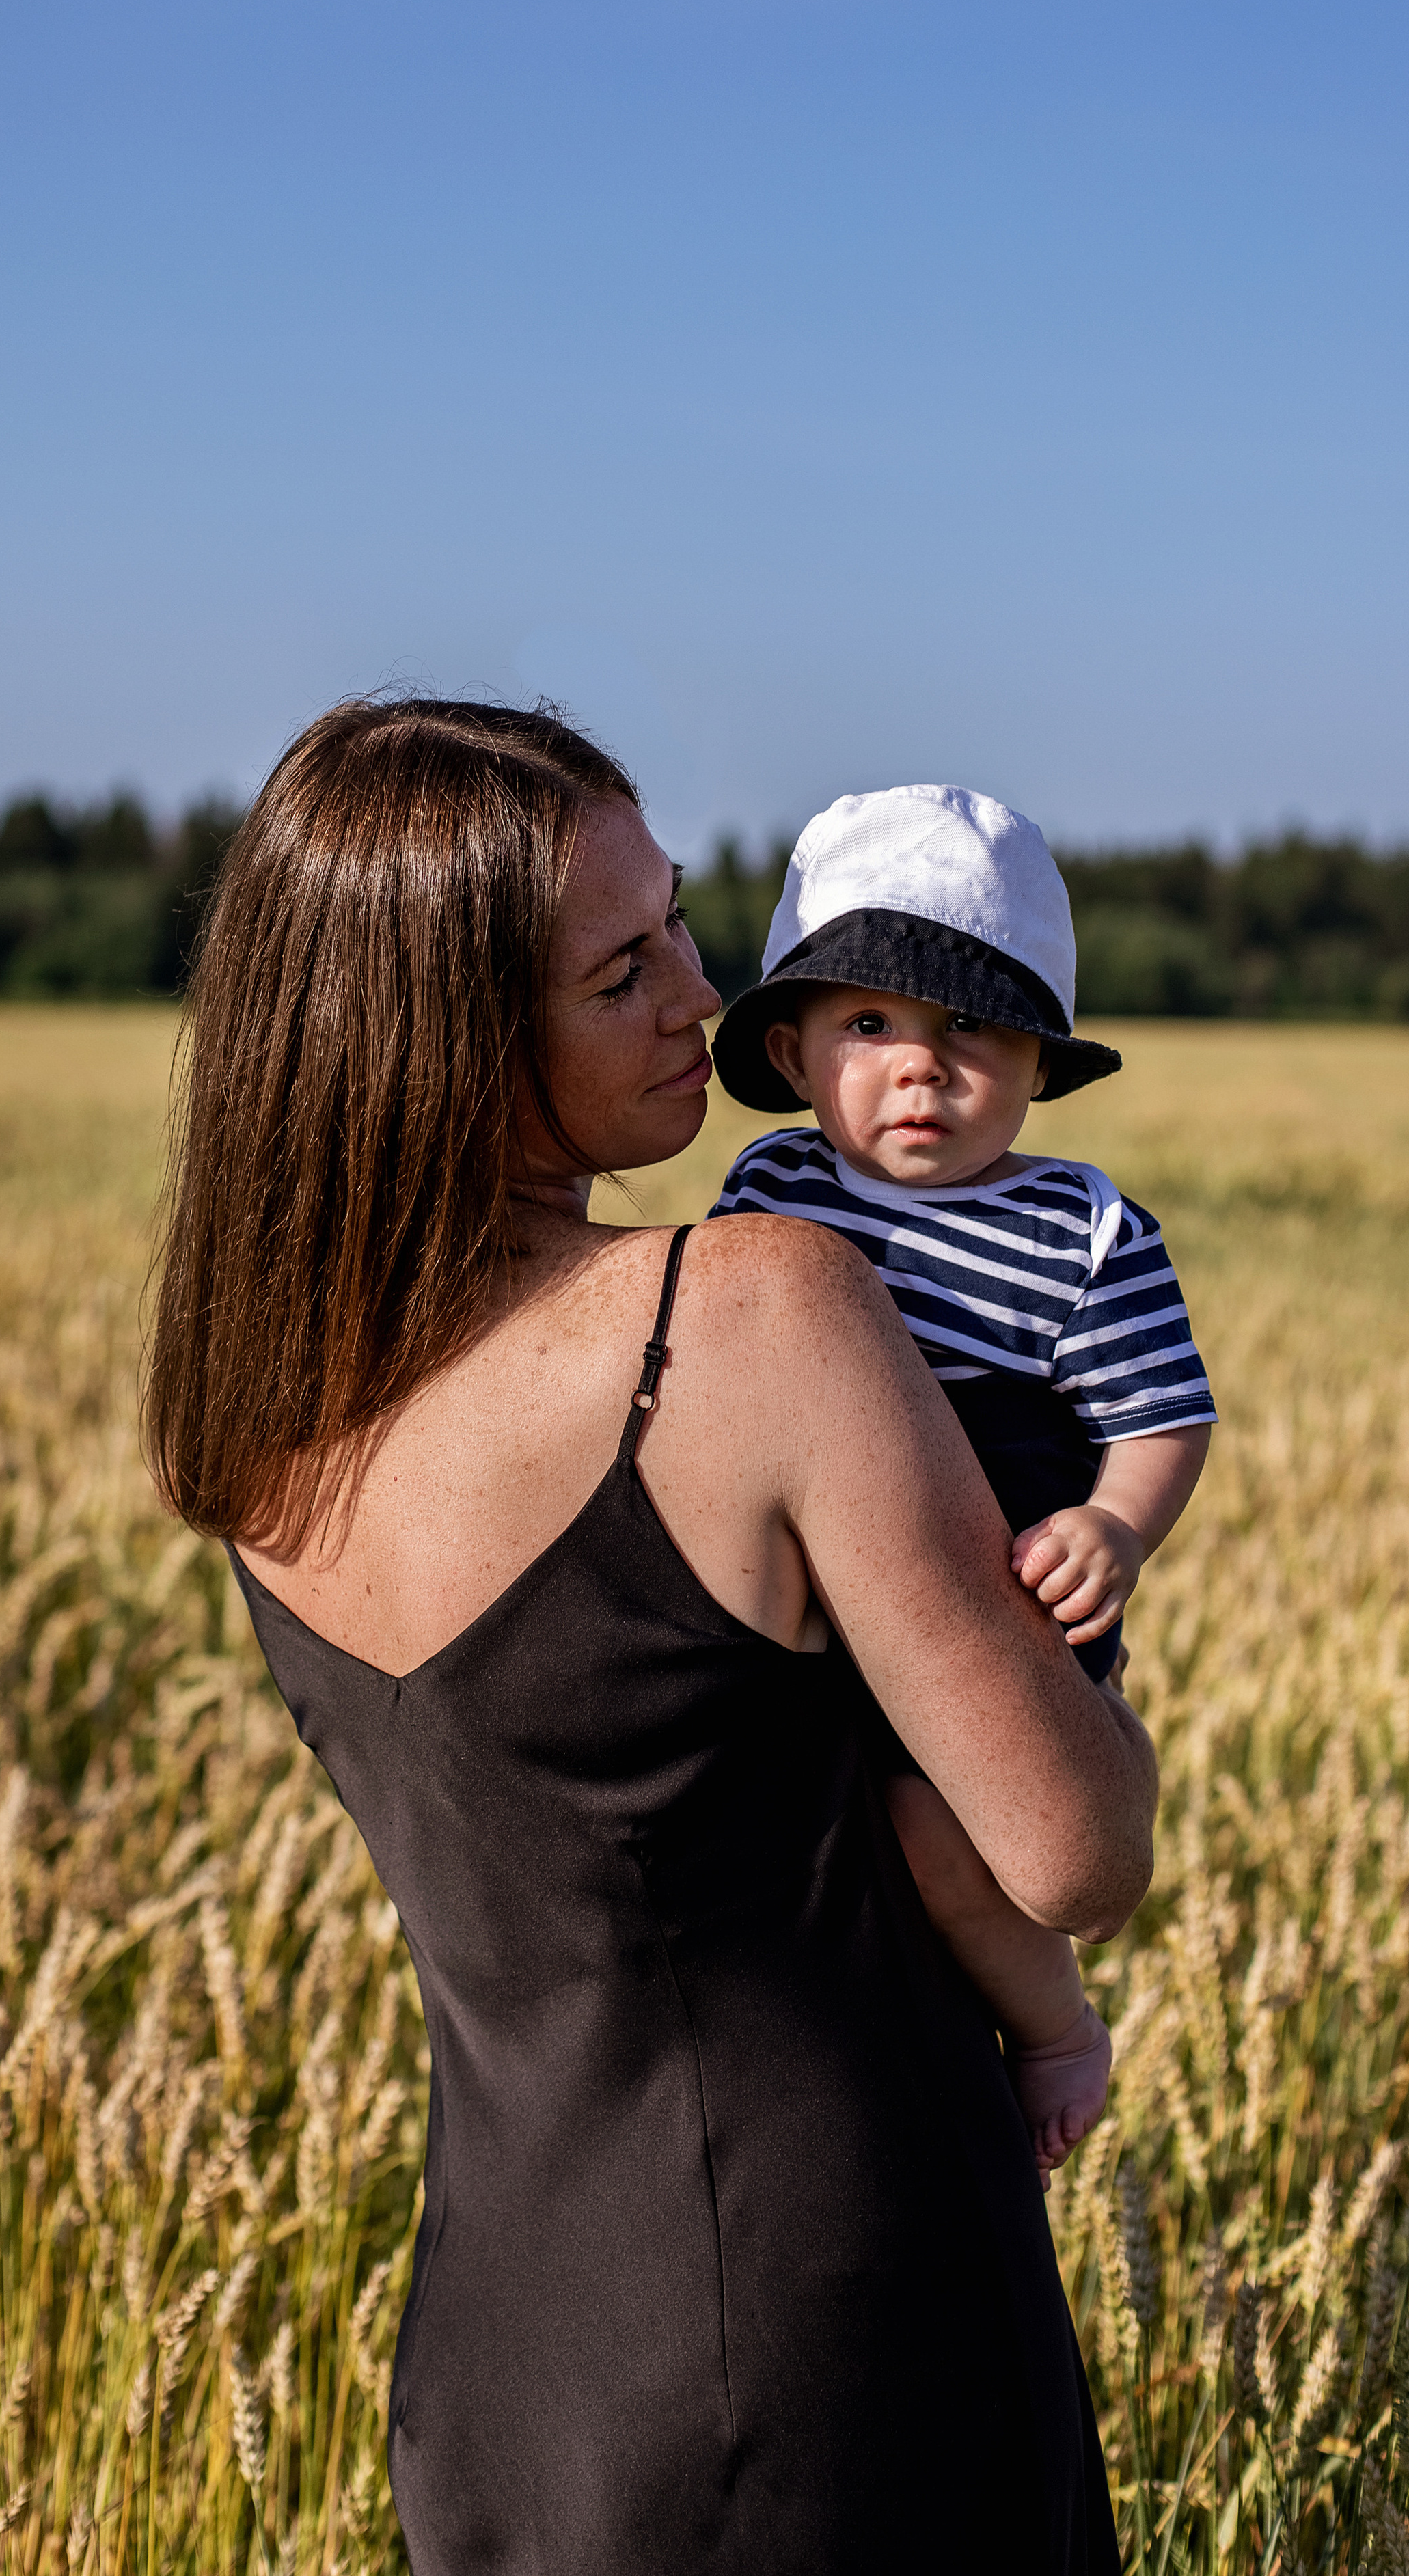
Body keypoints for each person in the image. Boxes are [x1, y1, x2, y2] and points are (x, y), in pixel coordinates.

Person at [144, 700, 1155, 2576]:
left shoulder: (255, 1428)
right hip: (840, 2337)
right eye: (626, 971)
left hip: (508, 2357)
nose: (708, 998)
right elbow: (1074, 1849)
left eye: (683, 922)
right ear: (443, 1052)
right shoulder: (761, 1306)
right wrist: (1089, 1648)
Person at [709, 784, 1215, 2180]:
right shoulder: (767, 1195)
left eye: (968, 1030)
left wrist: (1114, 1524)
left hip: (1002, 1589)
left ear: (1039, 1066)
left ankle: (1052, 2028)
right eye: (869, 1024)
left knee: (943, 1836)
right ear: (792, 1049)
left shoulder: (1082, 1230)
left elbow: (1162, 1415)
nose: (918, 1068)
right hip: (810, 1597)